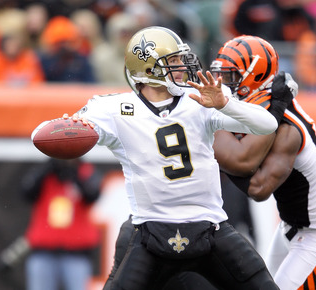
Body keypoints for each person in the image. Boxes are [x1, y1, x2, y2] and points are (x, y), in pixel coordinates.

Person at [33, 26, 291, 289]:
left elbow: (266, 124)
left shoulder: (199, 100)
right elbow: (43, 135)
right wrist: (70, 127)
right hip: (149, 233)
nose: (182, 66)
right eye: (174, 60)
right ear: (149, 68)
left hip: (210, 228)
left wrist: (226, 104)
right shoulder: (113, 109)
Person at [211, 35, 316, 290]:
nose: (224, 83)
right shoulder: (265, 108)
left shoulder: (287, 128)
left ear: (255, 77)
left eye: (231, 76)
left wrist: (211, 147)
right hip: (292, 227)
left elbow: (259, 188)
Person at [20, 158, 102, 290]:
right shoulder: (45, 172)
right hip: (43, 252)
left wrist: (75, 176)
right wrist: (47, 170)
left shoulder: (85, 171)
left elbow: (93, 194)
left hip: (76, 253)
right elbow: (26, 192)